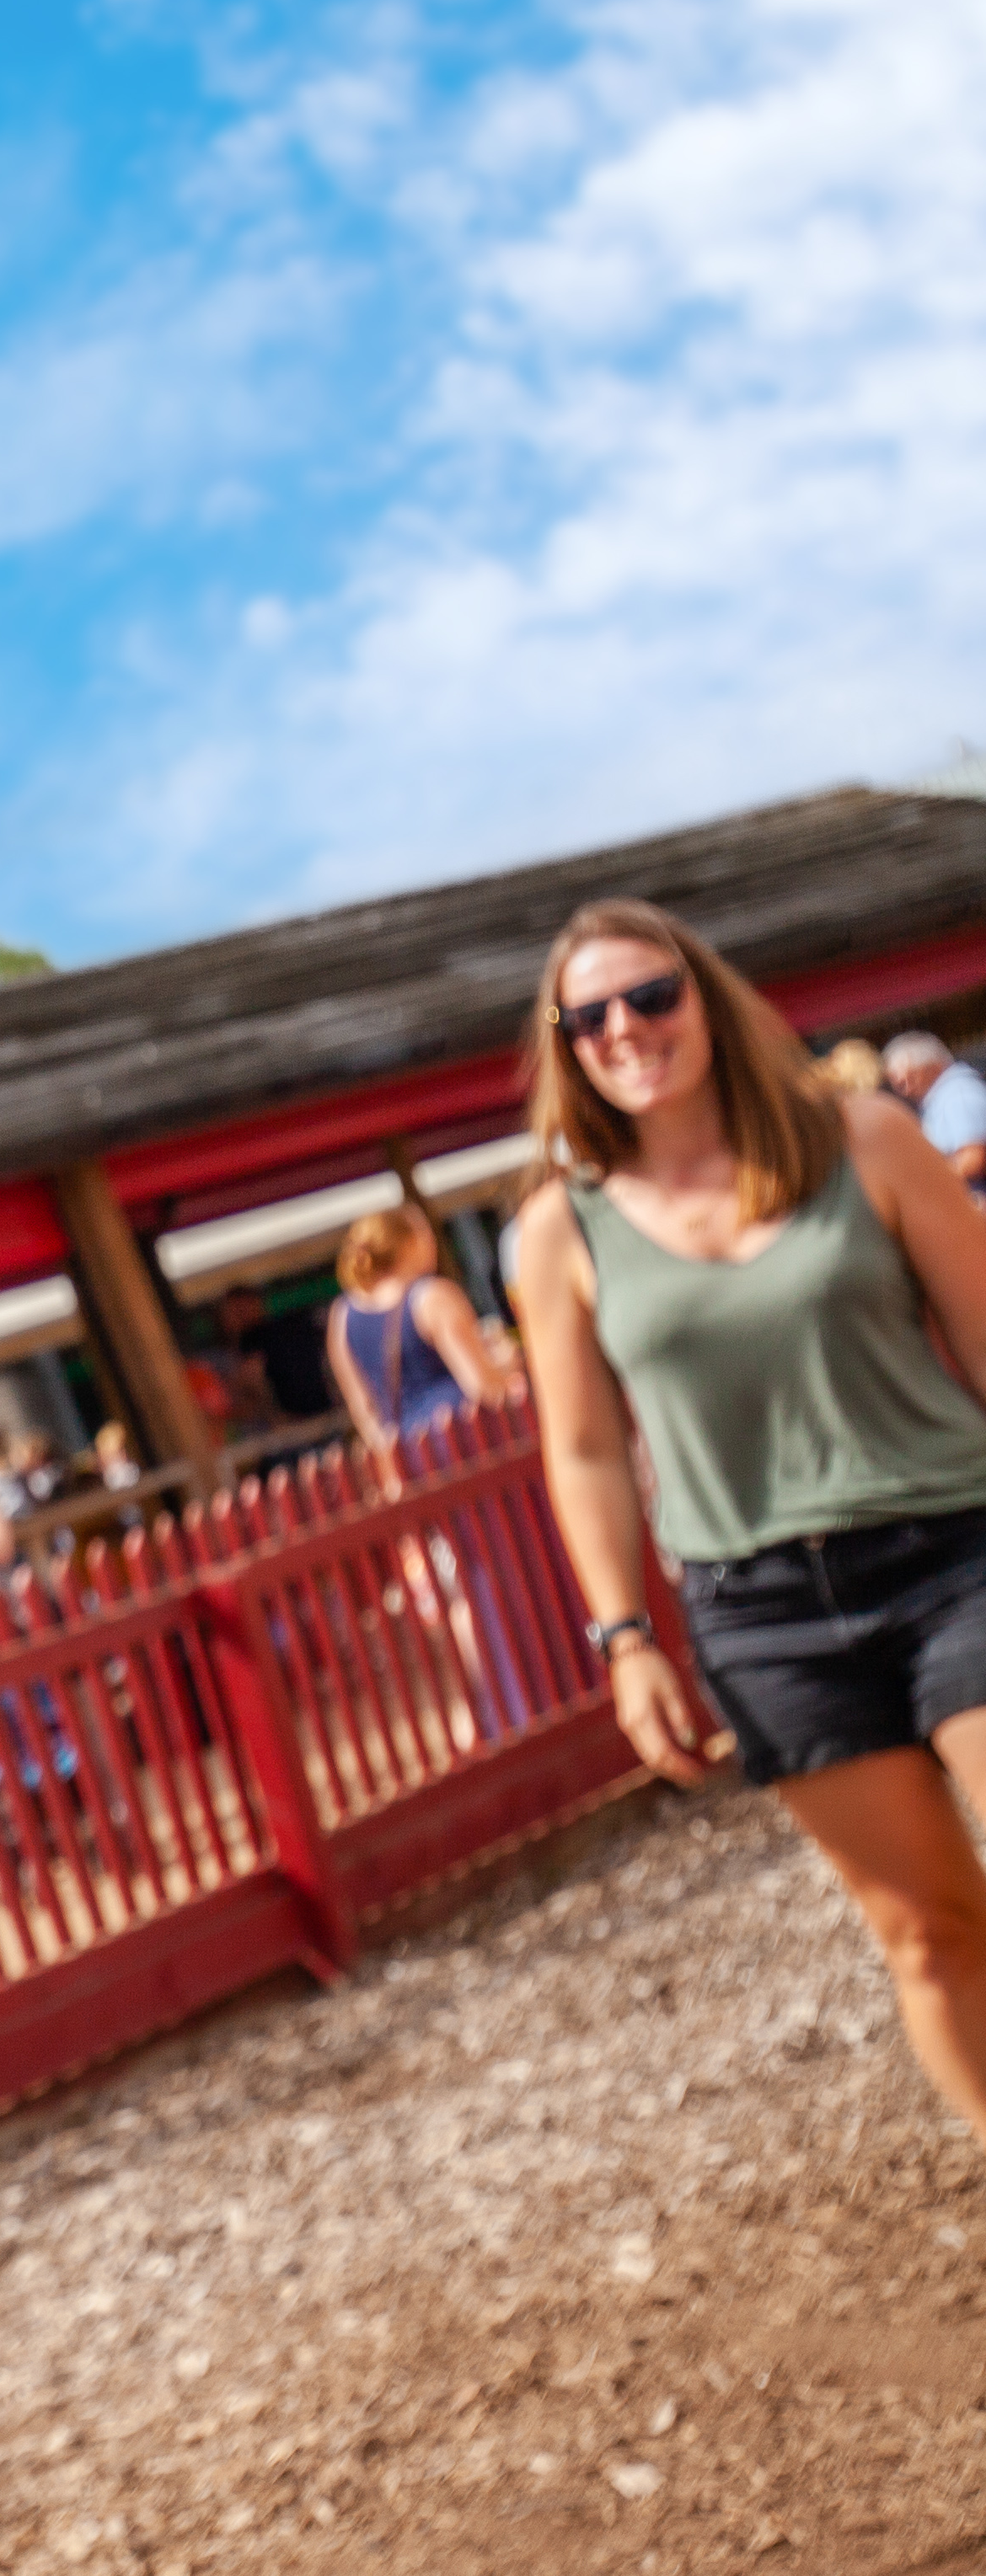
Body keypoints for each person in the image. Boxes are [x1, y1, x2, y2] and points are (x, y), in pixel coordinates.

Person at [506, 897, 986, 2154]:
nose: (627, 1027)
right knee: (930, 1934)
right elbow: (587, 1449)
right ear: (566, 1044)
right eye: (591, 1013)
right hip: (765, 1617)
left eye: (652, 995)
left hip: (955, 1551)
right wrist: (624, 1639)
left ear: (706, 998)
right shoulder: (559, 1233)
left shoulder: (867, 1140)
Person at [326, 1202, 517, 1461]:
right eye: (426, 1234)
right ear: (408, 1243)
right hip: (467, 1443)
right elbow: (483, 1388)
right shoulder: (432, 1297)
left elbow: (364, 1411)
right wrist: (508, 1364)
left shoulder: (342, 1315)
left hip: (412, 1457)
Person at [889, 1028, 986, 1191]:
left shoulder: (957, 1095)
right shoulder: (943, 1098)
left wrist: (926, 1185)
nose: (906, 1091)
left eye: (910, 1079)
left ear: (933, 1066)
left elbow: (973, 1159)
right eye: (899, 1085)